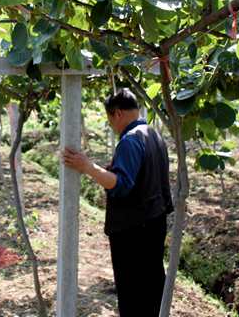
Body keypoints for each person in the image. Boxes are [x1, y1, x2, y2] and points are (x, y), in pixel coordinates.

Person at [62, 88, 174, 317]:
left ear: (117, 114)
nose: (112, 126)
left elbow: (121, 184)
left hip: (134, 229)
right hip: (155, 221)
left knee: (132, 291)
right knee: (152, 285)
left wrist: (88, 167)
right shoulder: (153, 134)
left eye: (110, 119)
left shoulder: (130, 141)